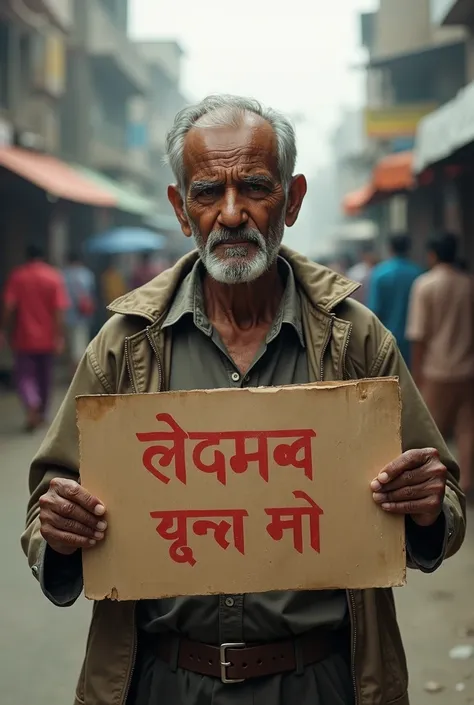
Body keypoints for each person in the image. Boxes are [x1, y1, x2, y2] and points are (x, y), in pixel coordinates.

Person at [23, 96, 464, 705]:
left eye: (255, 187)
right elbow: (46, 507)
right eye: (207, 193)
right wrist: (59, 533)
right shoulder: (124, 347)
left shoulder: (356, 337)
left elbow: (446, 503)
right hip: (163, 680)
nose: (231, 215)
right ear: (181, 208)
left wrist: (426, 507)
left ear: (293, 197)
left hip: (322, 679)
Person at [406, 233, 474, 493]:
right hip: (467, 370)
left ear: (433, 255)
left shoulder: (425, 284)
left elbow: (418, 335)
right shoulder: (468, 283)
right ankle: (467, 484)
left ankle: (440, 487)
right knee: (468, 430)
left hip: (437, 370)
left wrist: (417, 374)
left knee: (432, 432)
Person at [1, 244, 69, 430]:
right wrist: (59, 336)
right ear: (43, 256)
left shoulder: (18, 276)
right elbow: (59, 310)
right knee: (45, 377)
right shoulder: (53, 277)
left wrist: (3, 329)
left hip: (23, 338)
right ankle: (42, 412)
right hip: (47, 338)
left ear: (27, 256)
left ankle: (31, 402)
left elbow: (9, 306)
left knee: (24, 377)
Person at [367, 234, 423, 366]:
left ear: (390, 248)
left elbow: (374, 311)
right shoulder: (418, 273)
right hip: (413, 342)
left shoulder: (379, 274)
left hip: (386, 339)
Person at [62, 252, 96, 373]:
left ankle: (72, 372)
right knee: (79, 347)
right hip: (81, 316)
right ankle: (77, 375)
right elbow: (89, 295)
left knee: (70, 347)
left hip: (64, 315)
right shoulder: (86, 274)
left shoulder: (62, 274)